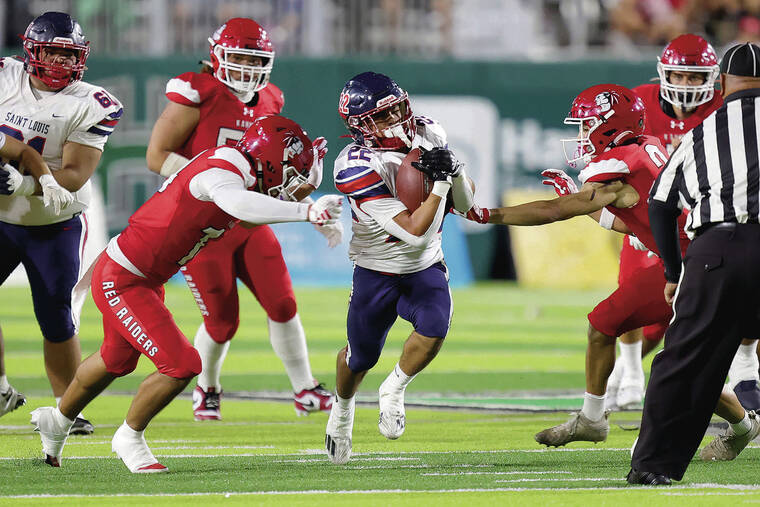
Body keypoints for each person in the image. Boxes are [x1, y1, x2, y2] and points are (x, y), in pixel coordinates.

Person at [31, 116, 344, 472]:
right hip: (123, 279)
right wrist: (306, 211)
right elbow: (240, 205)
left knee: (115, 360)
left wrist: (307, 208)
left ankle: (56, 422)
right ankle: (129, 437)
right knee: (182, 364)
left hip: (142, 278)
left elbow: (247, 215)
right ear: (271, 159)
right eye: (292, 174)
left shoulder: (239, 169)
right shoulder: (222, 173)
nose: (292, 184)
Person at [145, 17, 338, 421]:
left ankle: (305, 389)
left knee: (284, 304)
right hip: (205, 227)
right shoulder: (199, 91)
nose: (248, 70)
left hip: (250, 223)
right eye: (240, 59)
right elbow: (157, 156)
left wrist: (308, 202)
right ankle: (207, 387)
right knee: (222, 322)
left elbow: (275, 174)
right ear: (217, 57)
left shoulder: (271, 100)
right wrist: (212, 184)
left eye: (256, 60)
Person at [326, 71, 483, 465]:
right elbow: (412, 231)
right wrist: (442, 184)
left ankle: (393, 389)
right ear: (360, 126)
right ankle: (342, 411)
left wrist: (457, 172)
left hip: (424, 264)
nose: (395, 119)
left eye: (397, 108)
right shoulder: (354, 164)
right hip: (377, 268)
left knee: (435, 326)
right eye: (382, 116)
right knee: (360, 357)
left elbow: (464, 204)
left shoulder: (429, 132)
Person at [628, 42, 760, 486]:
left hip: (718, 248)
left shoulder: (704, 130)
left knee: (684, 362)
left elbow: (661, 203)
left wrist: (671, 271)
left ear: (721, 83)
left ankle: (653, 467)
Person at [0, 12, 123, 434]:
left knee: (55, 316)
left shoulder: (92, 103)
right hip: (0, 217)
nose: (57, 62)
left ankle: (68, 410)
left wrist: (22, 185)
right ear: (30, 51)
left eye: (66, 54)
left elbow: (74, 174)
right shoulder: (5, 76)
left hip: (55, 218)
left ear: (81, 57)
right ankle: (0, 389)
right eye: (49, 51)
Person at [601, 34, 726, 411]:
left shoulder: (726, 107)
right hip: (650, 215)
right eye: (679, 76)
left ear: (713, 78)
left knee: (669, 321)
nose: (686, 85)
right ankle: (631, 371)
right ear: (662, 72)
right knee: (631, 288)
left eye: (694, 78)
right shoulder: (638, 102)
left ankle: (738, 373)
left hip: (705, 220)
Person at [0, 130, 73, 416]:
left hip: (40, 222)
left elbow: (26, 152)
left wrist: (39, 180)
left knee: (56, 312)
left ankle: (69, 408)